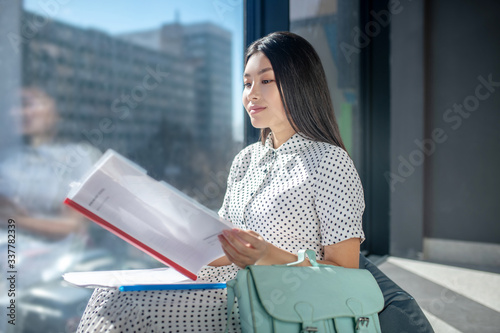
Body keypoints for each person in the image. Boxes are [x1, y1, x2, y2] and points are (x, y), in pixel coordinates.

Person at [76, 31, 365, 333]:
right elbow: (221, 249)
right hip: (224, 287)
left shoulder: (329, 162)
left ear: (301, 84)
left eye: (266, 81)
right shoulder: (246, 160)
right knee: (108, 292)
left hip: (275, 304)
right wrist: (161, 238)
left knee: (127, 305)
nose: (251, 94)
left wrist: (268, 256)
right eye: (247, 82)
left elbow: (346, 275)